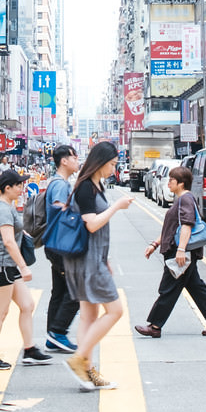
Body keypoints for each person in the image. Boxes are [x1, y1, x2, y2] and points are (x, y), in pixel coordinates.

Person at [63, 141, 131, 392]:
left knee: (89, 316)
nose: (114, 169)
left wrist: (105, 259)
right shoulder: (85, 188)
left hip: (92, 259)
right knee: (115, 311)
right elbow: (91, 224)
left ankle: (87, 372)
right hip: (86, 261)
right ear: (101, 162)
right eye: (112, 164)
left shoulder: (94, 185)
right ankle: (79, 358)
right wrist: (116, 206)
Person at [135, 166, 206, 338]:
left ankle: (155, 326)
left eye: (171, 179)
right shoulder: (181, 199)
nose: (168, 182)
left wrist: (181, 250)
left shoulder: (185, 199)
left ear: (181, 183)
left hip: (181, 254)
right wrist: (155, 244)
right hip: (183, 252)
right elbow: (171, 229)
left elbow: (186, 224)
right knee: (196, 286)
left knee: (168, 289)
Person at [0, 169, 53, 369]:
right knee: (0, 313)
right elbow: (9, 242)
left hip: (8, 266)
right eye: (18, 185)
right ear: (7, 188)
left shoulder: (8, 207)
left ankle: (29, 350)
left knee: (27, 305)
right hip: (2, 265)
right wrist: (23, 266)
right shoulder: (3, 209)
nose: (21, 188)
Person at [40, 147, 79, 351]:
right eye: (74, 157)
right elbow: (59, 211)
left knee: (60, 291)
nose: (77, 160)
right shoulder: (61, 185)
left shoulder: (56, 183)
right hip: (61, 245)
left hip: (54, 244)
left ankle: (52, 336)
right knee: (75, 289)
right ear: (64, 161)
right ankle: (57, 332)